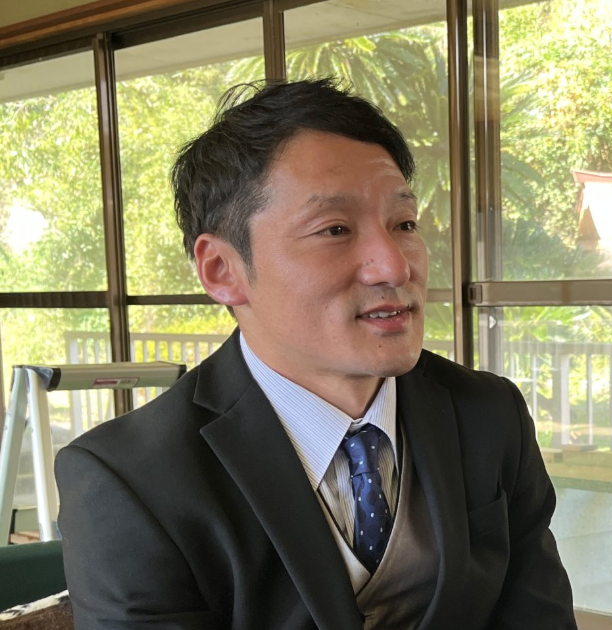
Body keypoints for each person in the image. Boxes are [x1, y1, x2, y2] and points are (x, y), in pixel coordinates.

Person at [55, 78, 577, 629]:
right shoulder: (127, 481)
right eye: (334, 229)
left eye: (403, 224)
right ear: (223, 270)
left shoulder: (489, 413)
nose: (395, 266)